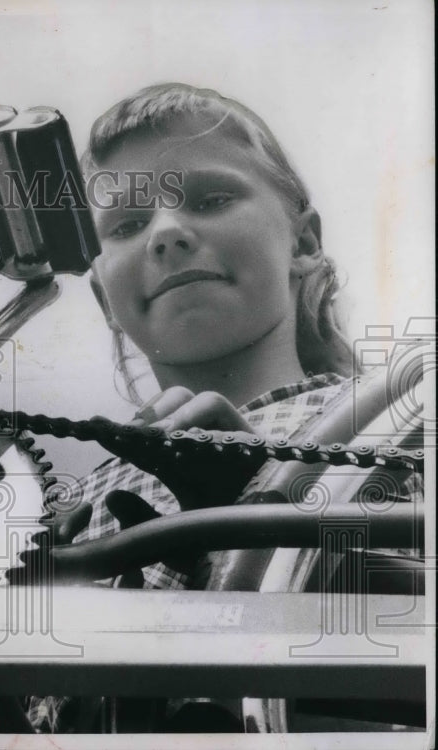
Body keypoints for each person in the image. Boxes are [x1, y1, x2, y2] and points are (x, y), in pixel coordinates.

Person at [28, 82, 422, 733]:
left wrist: (269, 513)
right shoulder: (77, 500)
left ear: (303, 243)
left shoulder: (400, 428)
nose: (168, 233)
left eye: (211, 200)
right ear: (104, 299)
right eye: (126, 225)